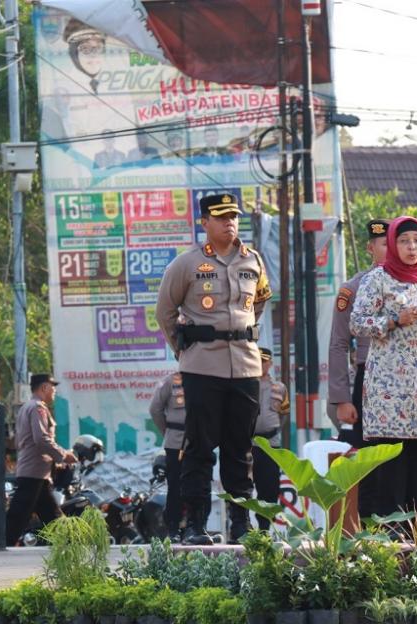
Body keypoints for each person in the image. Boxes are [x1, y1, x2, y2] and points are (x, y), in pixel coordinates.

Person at [156, 193, 272, 544]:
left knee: (240, 449)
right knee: (200, 448)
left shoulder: (253, 260)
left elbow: (261, 300)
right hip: (203, 366)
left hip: (246, 366)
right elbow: (164, 312)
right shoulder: (186, 264)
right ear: (204, 222)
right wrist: (185, 350)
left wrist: (244, 334)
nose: (229, 223)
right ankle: (195, 526)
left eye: (233, 216)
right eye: (221, 217)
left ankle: (240, 525)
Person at [350, 216, 417, 516]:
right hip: (392, 390)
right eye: (404, 241)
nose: (411, 247)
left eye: (416, 241)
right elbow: (357, 323)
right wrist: (396, 320)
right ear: (393, 245)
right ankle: (392, 531)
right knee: (393, 466)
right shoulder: (378, 279)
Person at [327, 218, 390, 518]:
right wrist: (341, 399)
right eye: (384, 244)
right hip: (369, 380)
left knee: (407, 456)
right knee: (370, 459)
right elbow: (339, 345)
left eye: (398, 243)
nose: (392, 249)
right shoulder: (353, 289)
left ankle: (407, 524)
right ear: (370, 248)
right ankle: (371, 530)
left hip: (408, 382)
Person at [5, 374, 77, 546]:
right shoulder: (38, 408)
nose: (54, 392)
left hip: (36, 471)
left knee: (51, 514)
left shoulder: (25, 408)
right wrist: (63, 455)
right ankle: (2, 544)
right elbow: (41, 439)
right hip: (34, 472)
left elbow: (18, 441)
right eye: (53, 388)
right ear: (44, 387)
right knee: (18, 515)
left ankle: (68, 545)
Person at [253, 347, 290, 532]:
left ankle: (265, 527)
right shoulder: (247, 385)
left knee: (269, 486)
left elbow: (283, 415)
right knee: (244, 487)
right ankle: (242, 526)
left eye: (264, 361)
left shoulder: (280, 388)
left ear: (270, 363)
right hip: (249, 444)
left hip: (271, 443)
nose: (260, 365)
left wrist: (271, 430)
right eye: (257, 360)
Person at [148, 370, 187, 541]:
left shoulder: (203, 378)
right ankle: (173, 529)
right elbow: (155, 409)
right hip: (176, 442)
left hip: (199, 442)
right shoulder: (170, 381)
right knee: (176, 486)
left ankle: (198, 527)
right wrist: (168, 431)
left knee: (199, 485)